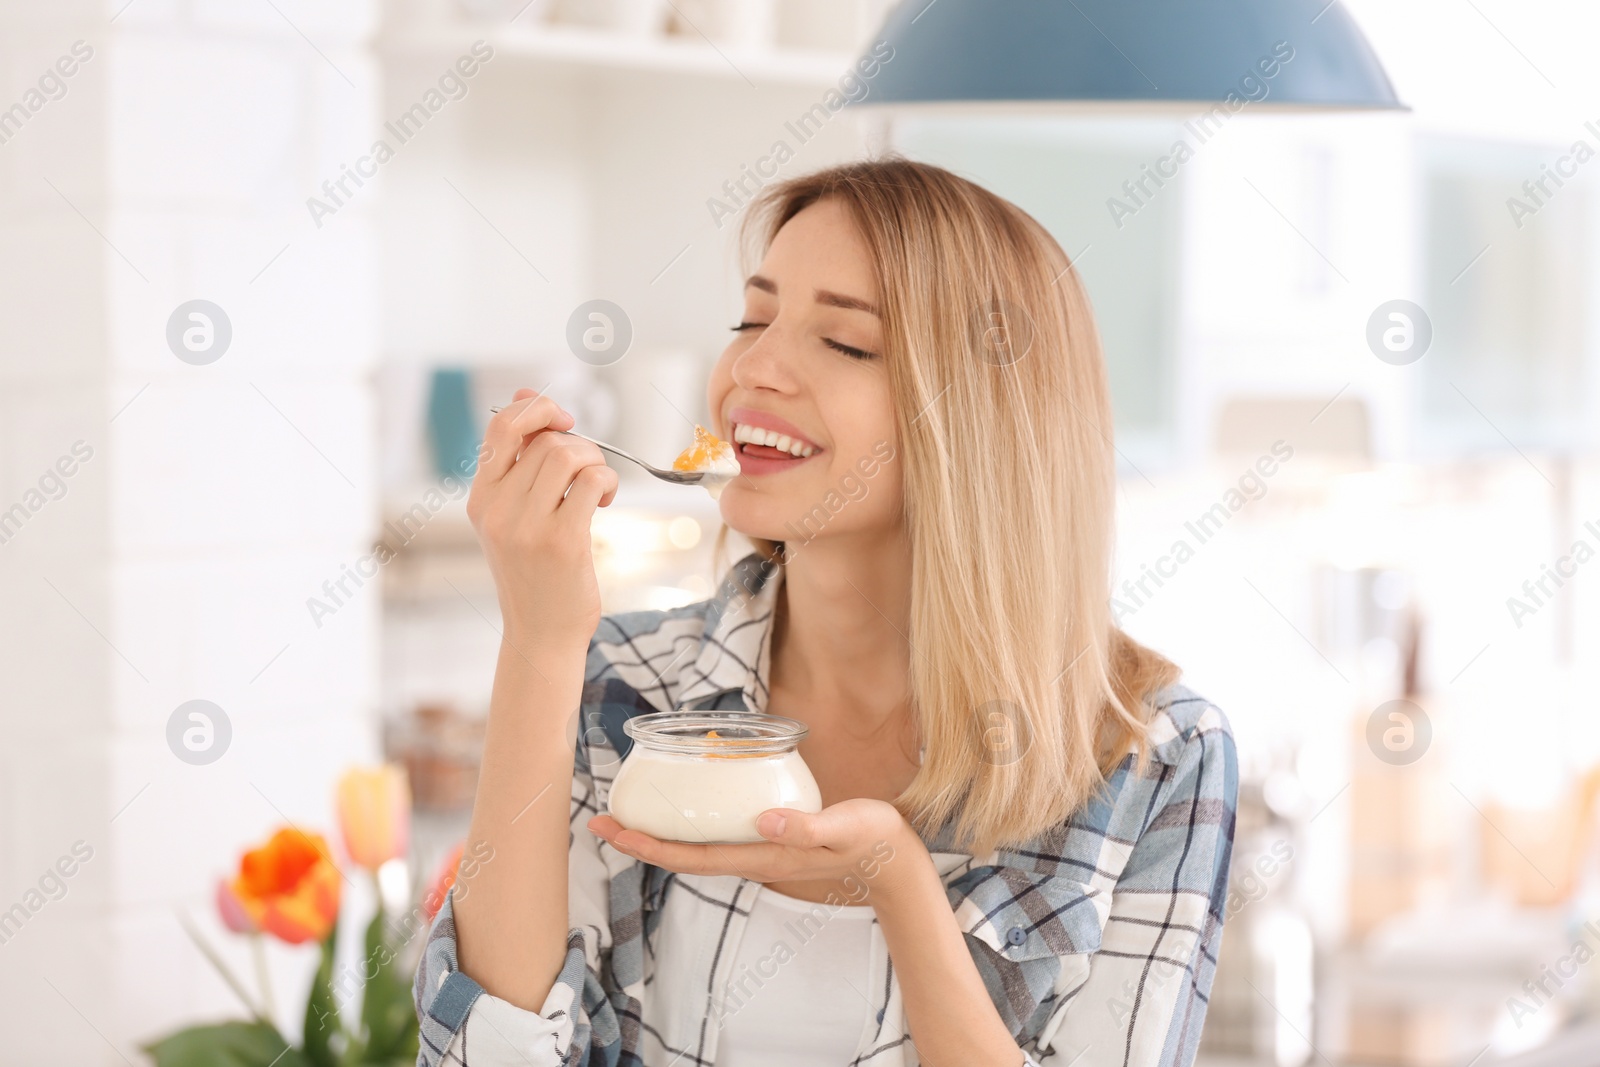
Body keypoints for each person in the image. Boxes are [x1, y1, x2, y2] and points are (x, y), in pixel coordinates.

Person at [413, 158, 1237, 1067]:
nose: (753, 367)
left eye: (845, 343)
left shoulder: (1153, 759)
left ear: (981, 421)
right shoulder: (617, 684)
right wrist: (537, 642)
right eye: (753, 318)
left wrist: (896, 883)